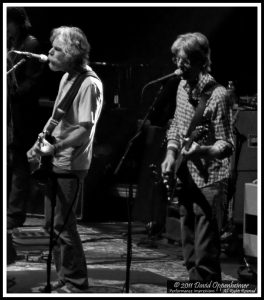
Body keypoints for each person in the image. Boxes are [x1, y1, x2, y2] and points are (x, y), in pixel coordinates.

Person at [27, 26, 103, 293]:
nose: (49, 53)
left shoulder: (89, 84)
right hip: (55, 160)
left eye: (57, 49)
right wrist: (39, 143)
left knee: (64, 226)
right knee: (52, 224)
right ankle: (65, 278)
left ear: (72, 53)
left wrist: (56, 147)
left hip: (70, 163)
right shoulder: (67, 78)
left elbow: (84, 130)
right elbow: (57, 116)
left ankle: (76, 284)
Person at [161, 32, 234, 282]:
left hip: (210, 181)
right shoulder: (182, 87)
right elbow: (176, 127)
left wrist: (202, 150)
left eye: (185, 62)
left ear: (202, 62)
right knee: (189, 252)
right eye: (176, 61)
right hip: (185, 175)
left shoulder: (218, 95)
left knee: (206, 255)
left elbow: (226, 144)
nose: (179, 67)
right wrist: (171, 154)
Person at [7, 7, 44, 229]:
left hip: (21, 113)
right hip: (9, 110)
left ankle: (15, 213)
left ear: (15, 22)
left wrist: (12, 93)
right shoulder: (9, 42)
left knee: (19, 162)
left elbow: (34, 82)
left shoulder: (30, 45)